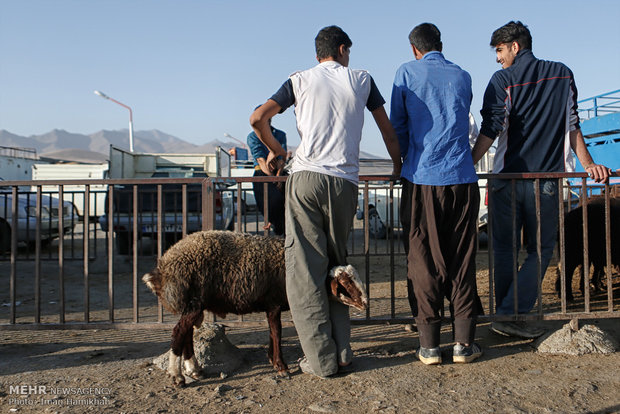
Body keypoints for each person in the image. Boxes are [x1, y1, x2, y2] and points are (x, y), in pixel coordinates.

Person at [250, 25, 401, 378]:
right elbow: (387, 130)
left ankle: (320, 360)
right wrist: (395, 168)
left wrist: (276, 151)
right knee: (338, 266)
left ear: (318, 54)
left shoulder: (300, 80)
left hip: (305, 180)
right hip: (346, 183)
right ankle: (344, 352)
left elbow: (258, 118)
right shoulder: (362, 79)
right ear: (343, 50)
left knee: (304, 273)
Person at [471, 21, 610, 339]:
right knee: (541, 250)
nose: (498, 58)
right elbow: (572, 123)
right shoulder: (563, 74)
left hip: (505, 180)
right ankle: (510, 314)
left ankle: (506, 315)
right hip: (545, 182)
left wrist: (468, 165)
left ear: (515, 46)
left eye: (500, 50)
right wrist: (588, 164)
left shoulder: (502, 79)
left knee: (505, 250)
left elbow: (492, 127)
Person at [391, 23, 482, 365]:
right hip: (462, 178)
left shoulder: (407, 72)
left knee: (424, 260)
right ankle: (463, 344)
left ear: (414, 48)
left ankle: (429, 345)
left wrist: (399, 162)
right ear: (440, 45)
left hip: (421, 178)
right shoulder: (463, 76)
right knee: (461, 258)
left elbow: (399, 126)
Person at [246, 111, 287, 235]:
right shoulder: (252, 136)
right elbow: (260, 159)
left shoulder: (280, 134)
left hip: (278, 172)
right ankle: (273, 222)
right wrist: (272, 178)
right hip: (262, 172)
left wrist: (278, 175)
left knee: (288, 198)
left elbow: (282, 156)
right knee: (271, 200)